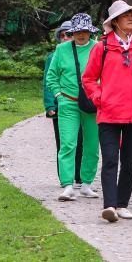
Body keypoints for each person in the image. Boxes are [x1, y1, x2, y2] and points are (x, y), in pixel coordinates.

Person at [82, 0, 132, 223]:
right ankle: (109, 206)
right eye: (126, 15)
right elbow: (88, 79)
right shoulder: (102, 47)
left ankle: (122, 204)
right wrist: (99, 98)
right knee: (110, 160)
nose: (130, 18)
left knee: (129, 162)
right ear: (115, 21)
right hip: (109, 113)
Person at [45, 13, 101, 201]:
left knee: (92, 144)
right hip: (68, 102)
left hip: (92, 103)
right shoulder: (61, 49)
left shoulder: (98, 48)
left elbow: (107, 74)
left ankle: (86, 184)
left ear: (90, 32)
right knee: (68, 143)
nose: (81, 35)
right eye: (77, 31)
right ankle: (67, 185)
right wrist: (59, 96)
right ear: (72, 32)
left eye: (85, 31)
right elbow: (51, 76)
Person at [42, 20, 83, 185]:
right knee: (64, 143)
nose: (65, 37)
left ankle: (79, 175)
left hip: (81, 105)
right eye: (62, 35)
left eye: (69, 34)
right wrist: (50, 105)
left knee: (81, 141)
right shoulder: (53, 56)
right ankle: (65, 178)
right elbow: (48, 82)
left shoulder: (82, 53)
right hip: (60, 106)